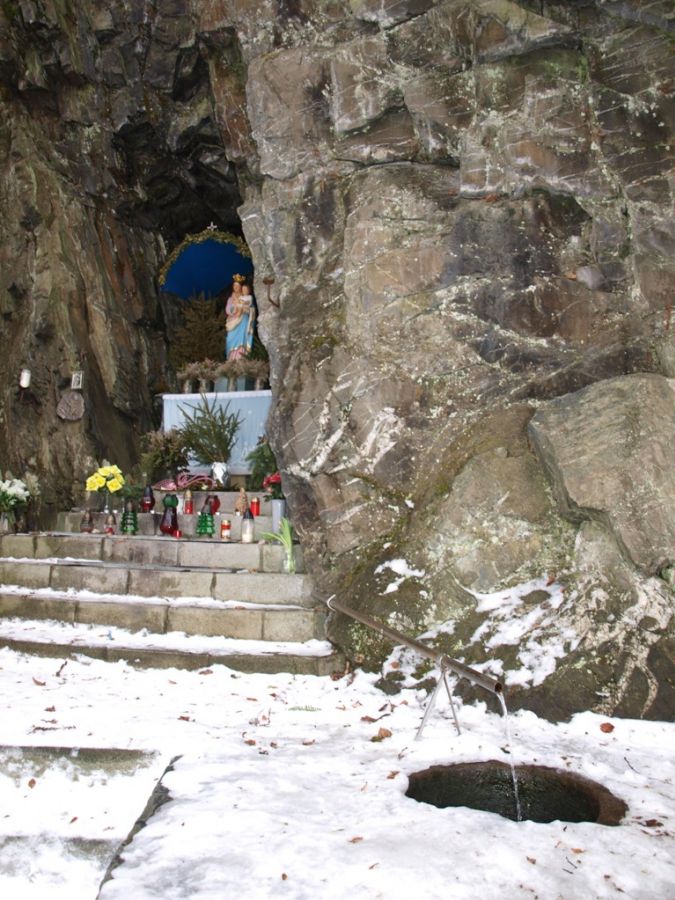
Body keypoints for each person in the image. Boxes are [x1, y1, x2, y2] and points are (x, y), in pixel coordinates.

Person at [225, 275, 256, 360]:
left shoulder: (246, 298)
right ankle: (231, 360)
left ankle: (241, 359)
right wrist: (234, 308)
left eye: (238, 286)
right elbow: (228, 310)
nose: (236, 288)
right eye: (234, 286)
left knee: (242, 339)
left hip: (243, 320)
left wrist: (244, 309)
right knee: (230, 339)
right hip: (232, 321)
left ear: (241, 287)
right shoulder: (230, 299)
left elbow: (252, 309)